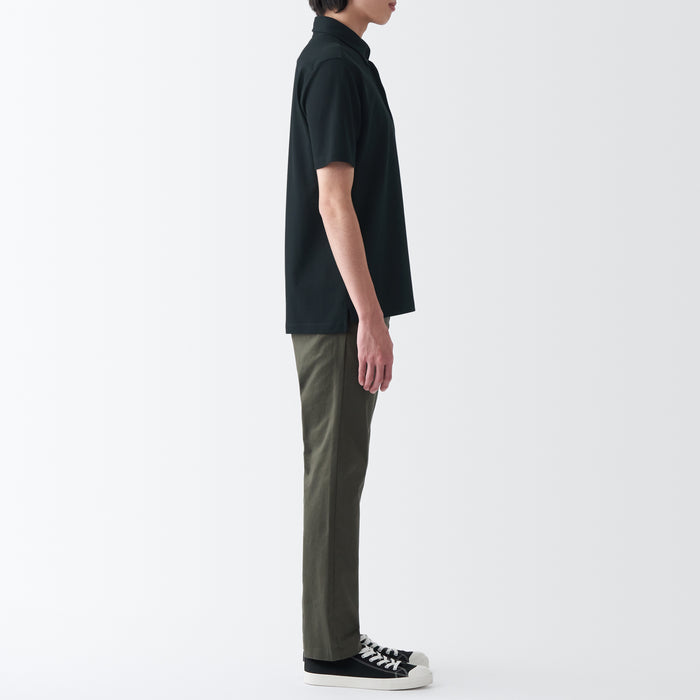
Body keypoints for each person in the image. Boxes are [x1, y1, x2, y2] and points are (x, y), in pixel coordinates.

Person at [285, 0, 432, 690]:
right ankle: (331, 649)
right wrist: (369, 317)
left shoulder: (344, 62)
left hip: (340, 307)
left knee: (340, 473)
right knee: (334, 476)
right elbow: (332, 200)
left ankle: (337, 635)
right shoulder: (333, 66)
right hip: (338, 311)